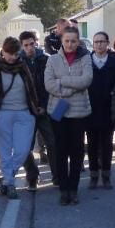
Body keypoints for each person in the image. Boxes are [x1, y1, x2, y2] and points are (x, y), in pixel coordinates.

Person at [44, 26, 93, 205]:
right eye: (67, 41)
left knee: (77, 151)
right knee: (60, 150)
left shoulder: (85, 57)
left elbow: (86, 80)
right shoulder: (53, 60)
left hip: (79, 112)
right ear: (62, 41)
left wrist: (63, 82)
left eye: (73, 41)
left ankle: (74, 188)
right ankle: (63, 189)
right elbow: (49, 84)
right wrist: (71, 89)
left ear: (78, 41)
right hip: (58, 111)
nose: (70, 44)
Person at [0, 37, 40, 199]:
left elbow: (31, 88)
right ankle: (10, 183)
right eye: (8, 53)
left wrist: (35, 106)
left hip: (24, 113)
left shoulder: (22, 66)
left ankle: (6, 178)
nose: (12, 57)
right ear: (2, 51)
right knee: (4, 151)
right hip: (2, 114)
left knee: (23, 150)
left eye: (15, 53)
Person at [86, 31, 115, 190]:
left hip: (108, 108)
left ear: (108, 43)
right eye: (96, 42)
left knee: (107, 143)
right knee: (92, 144)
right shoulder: (86, 61)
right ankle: (93, 175)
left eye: (102, 41)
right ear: (93, 44)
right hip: (90, 108)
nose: (99, 44)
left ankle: (106, 176)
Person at [20, 30, 56, 191]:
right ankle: (32, 176)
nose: (29, 48)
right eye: (26, 45)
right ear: (22, 46)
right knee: (25, 147)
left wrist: (44, 106)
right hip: (27, 111)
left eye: (31, 44)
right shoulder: (18, 62)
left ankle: (57, 176)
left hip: (46, 110)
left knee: (53, 144)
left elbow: (52, 86)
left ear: (37, 42)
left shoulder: (47, 60)